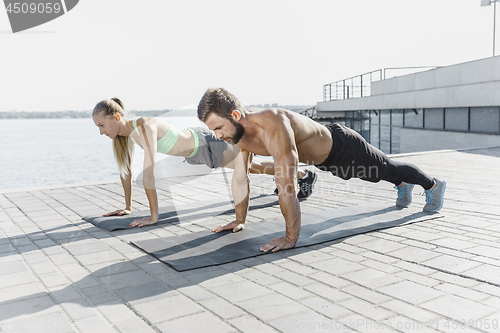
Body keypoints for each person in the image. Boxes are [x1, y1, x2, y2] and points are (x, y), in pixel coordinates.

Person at [197, 88, 446, 252]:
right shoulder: (236, 135)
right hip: (325, 161)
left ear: (236, 114)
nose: (218, 136)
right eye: (213, 131)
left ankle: (432, 185)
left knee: (385, 169)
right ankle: (402, 185)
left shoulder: (274, 123)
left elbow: (287, 186)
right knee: (376, 177)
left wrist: (290, 238)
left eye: (218, 128)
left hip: (344, 147)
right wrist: (240, 220)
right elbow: (240, 178)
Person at [91, 98, 317, 227]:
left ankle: (301, 173)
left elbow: (148, 172)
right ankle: (303, 175)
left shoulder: (145, 125)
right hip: (196, 154)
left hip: (205, 143)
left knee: (251, 167)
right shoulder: (126, 137)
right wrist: (128, 207)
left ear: (117, 117)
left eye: (102, 125)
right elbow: (126, 171)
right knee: (254, 168)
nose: (101, 132)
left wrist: (153, 217)